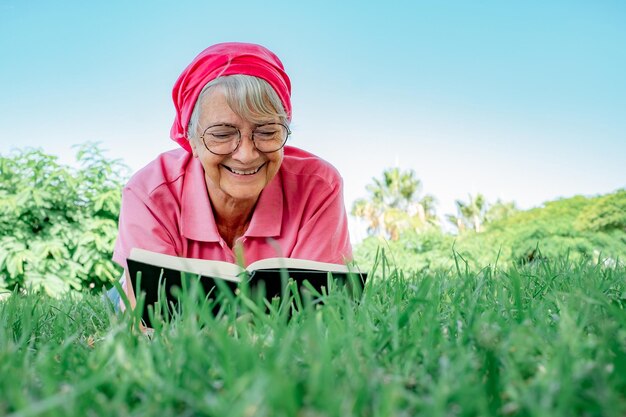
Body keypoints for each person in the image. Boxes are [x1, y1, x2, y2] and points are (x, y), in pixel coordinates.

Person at [109, 42, 352, 310]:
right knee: (117, 300)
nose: (246, 155)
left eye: (267, 132)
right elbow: (147, 319)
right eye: (222, 135)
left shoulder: (318, 186)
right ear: (191, 140)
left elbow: (320, 310)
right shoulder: (149, 192)